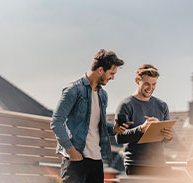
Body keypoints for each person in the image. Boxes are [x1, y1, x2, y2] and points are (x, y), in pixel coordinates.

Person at [50, 49, 130, 183]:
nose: (113, 78)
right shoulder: (73, 90)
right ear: (100, 70)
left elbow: (97, 125)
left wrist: (114, 130)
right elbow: (56, 122)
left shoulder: (103, 95)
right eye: (111, 73)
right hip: (76, 160)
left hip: (96, 161)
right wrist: (71, 151)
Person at [115, 64, 175, 176]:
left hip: (160, 165)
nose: (150, 88)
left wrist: (169, 135)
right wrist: (141, 129)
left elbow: (167, 140)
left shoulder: (162, 105)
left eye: (153, 84)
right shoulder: (126, 105)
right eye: (146, 84)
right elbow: (119, 137)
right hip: (136, 165)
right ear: (137, 81)